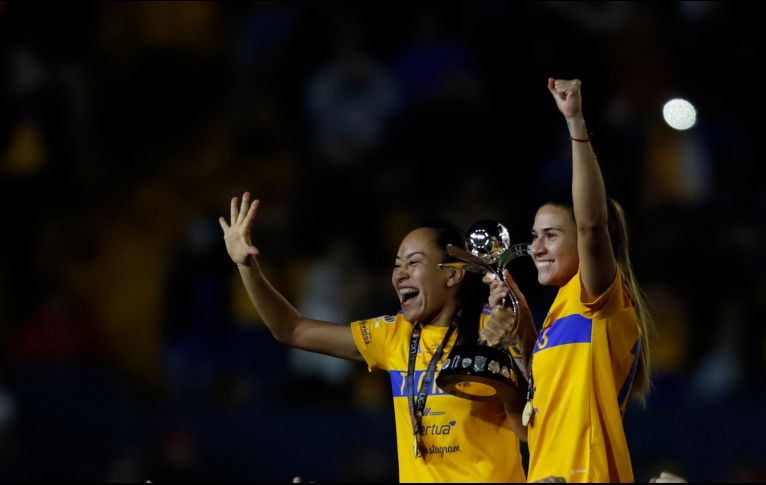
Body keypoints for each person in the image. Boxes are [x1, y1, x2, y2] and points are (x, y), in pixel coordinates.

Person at [218, 193, 529, 483]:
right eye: (397, 265)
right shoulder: (393, 335)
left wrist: (509, 347)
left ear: (453, 274)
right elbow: (291, 329)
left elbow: (530, 429)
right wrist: (247, 266)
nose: (400, 274)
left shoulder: (496, 328)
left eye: (414, 262)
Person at [483, 78, 654, 483]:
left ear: (584, 242)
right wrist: (523, 323)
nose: (536, 247)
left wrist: (575, 122)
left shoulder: (597, 297)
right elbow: (540, 419)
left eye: (552, 235)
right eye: (535, 234)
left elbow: (593, 225)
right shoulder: (558, 315)